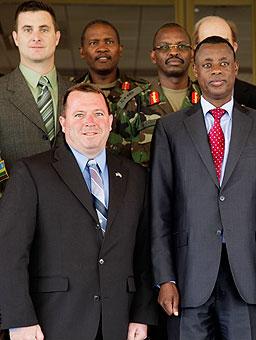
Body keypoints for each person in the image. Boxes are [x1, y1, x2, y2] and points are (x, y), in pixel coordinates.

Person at [151, 36, 256, 339]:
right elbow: (160, 209)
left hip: (250, 276)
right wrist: (165, 277)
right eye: (207, 64)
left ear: (236, 69)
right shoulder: (170, 129)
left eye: (224, 63)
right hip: (188, 277)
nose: (217, 70)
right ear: (195, 72)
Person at [0, 83, 158, 340]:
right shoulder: (32, 173)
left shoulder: (135, 176)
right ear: (63, 123)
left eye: (97, 114)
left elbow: (144, 252)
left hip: (119, 322)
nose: (89, 122)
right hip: (53, 322)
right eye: (78, 115)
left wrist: (142, 313)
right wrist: (19, 320)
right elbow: (9, 252)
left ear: (109, 121)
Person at [0, 0, 71, 181]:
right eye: (27, 29)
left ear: (57, 37)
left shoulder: (76, 93)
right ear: (16, 38)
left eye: (44, 29)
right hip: (13, 202)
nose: (36, 37)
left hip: (69, 206)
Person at [76, 19, 155, 166]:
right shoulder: (70, 93)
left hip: (132, 180)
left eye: (109, 42)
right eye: (94, 43)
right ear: (82, 52)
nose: (102, 48)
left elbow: (150, 148)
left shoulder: (142, 92)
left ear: (120, 49)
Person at [194, 16, 256, 110]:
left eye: (224, 41)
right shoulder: (185, 98)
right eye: (208, 42)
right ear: (196, 50)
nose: (216, 49)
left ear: (234, 47)